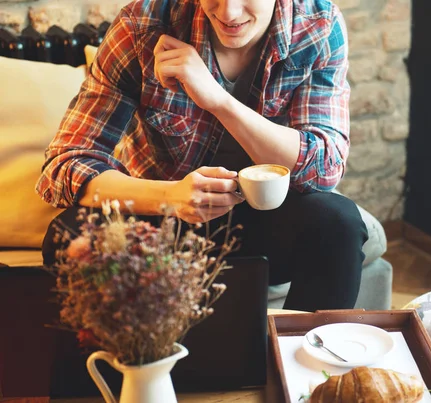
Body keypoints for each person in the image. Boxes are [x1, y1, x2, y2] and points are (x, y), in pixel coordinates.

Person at [36, 0, 368, 312]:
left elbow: (324, 168)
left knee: (338, 222)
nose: (229, 12)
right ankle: (125, 368)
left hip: (264, 220)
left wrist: (218, 100)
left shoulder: (317, 25)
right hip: (160, 218)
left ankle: (304, 363)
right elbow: (64, 165)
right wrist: (171, 197)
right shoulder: (143, 24)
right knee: (67, 236)